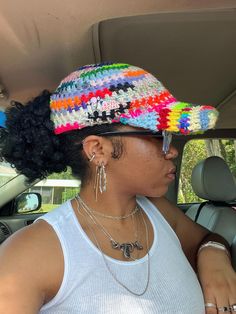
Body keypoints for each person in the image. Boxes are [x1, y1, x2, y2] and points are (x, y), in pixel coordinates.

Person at [0, 62, 235, 314]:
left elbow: (207, 238)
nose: (173, 151)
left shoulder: (159, 213)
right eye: (159, 137)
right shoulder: (27, 254)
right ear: (98, 150)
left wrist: (214, 254)